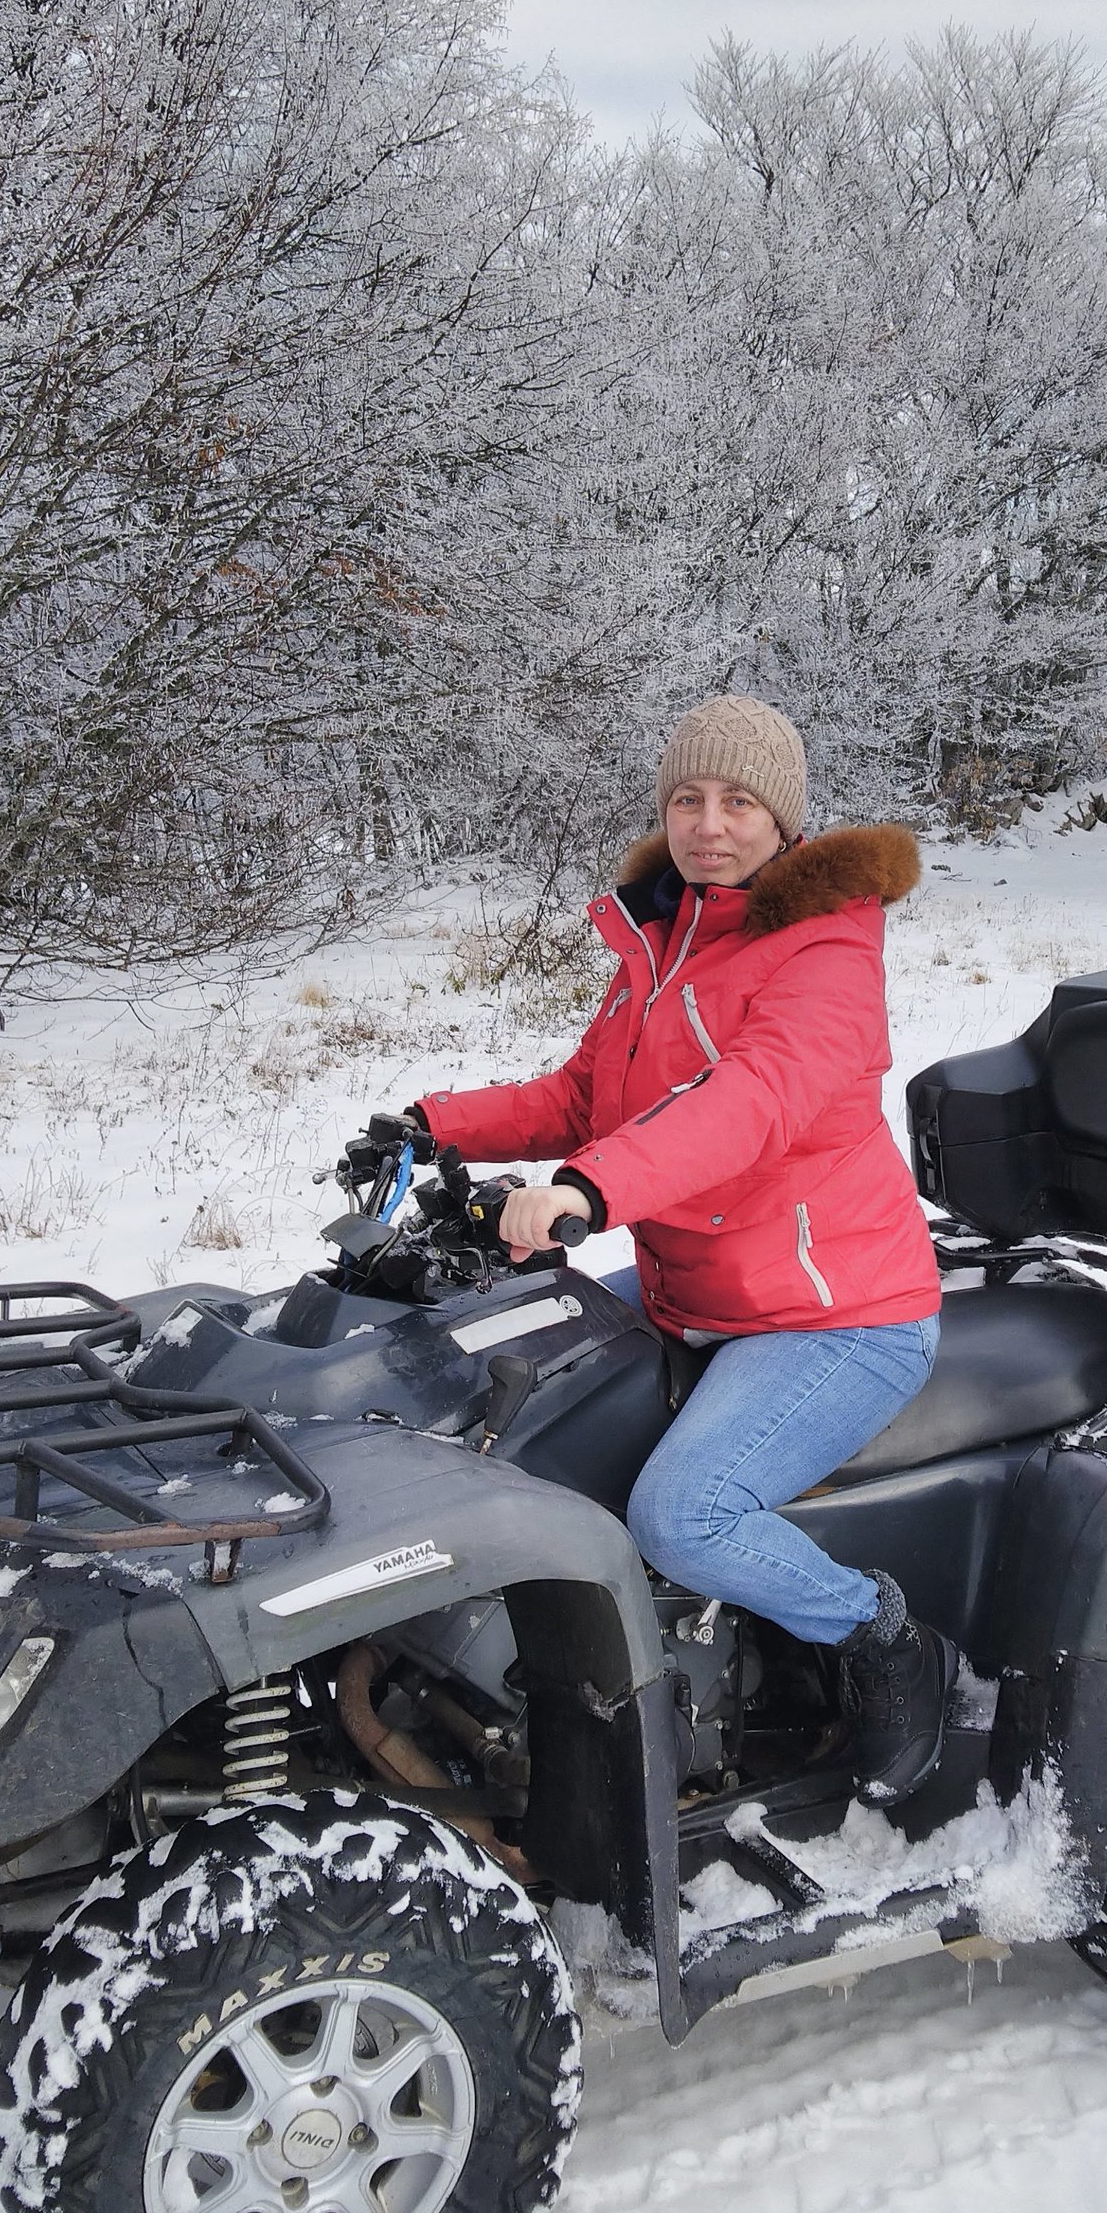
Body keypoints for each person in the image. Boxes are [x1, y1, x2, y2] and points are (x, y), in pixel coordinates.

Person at [408, 695, 953, 1806]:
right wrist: (435, 1124)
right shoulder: (671, 936)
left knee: (682, 1515)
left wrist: (589, 1187)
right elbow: (585, 1094)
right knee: (480, 1389)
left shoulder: (826, 950)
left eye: (739, 801)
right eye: (689, 799)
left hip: (836, 1312)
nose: (709, 825)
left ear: (784, 821)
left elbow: (748, 1104)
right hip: (695, 1288)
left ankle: (879, 1634)